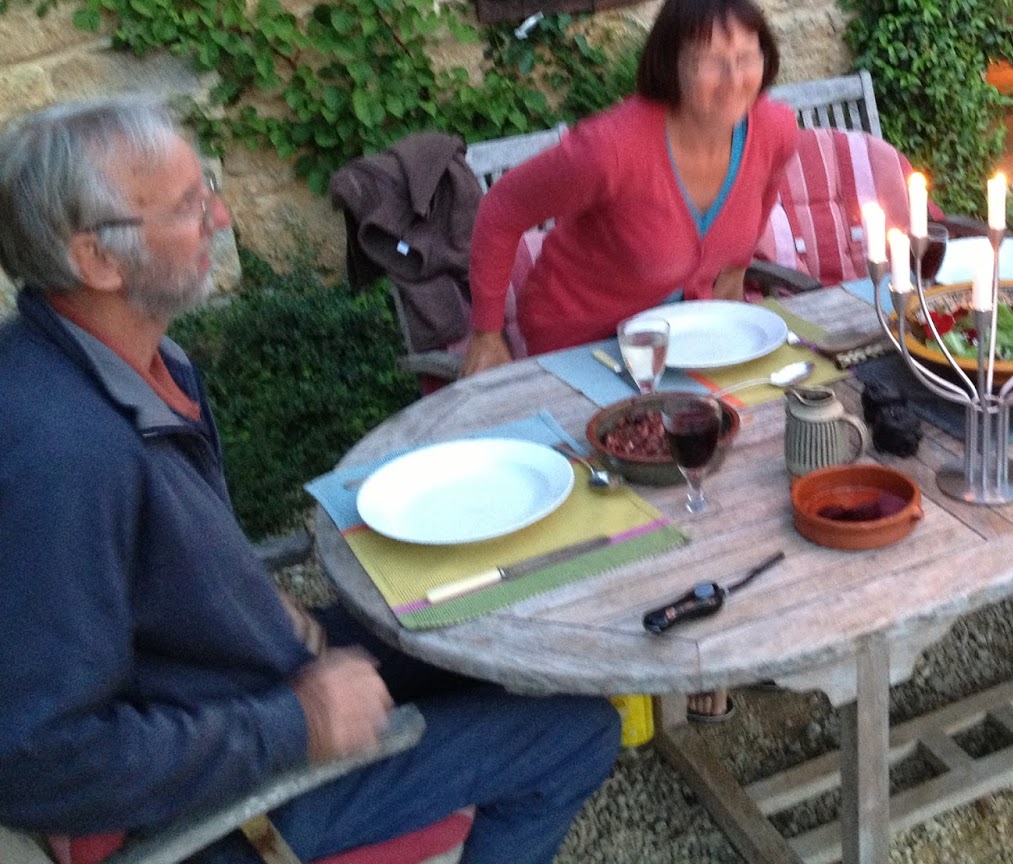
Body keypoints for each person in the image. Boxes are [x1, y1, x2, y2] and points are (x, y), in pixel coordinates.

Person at [0, 99, 619, 863]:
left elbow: (167, 580)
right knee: (577, 733)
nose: (222, 216)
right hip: (220, 809)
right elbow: (34, 760)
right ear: (97, 259)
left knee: (496, 622)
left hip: (242, 680)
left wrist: (270, 618)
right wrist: (300, 723)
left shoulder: (143, 365)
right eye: (189, 206)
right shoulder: (58, 452)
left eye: (207, 192)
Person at [462, 0, 800, 371]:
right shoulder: (610, 150)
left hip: (684, 337)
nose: (734, 79)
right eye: (710, 62)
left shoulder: (775, 131)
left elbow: (765, 190)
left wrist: (737, 266)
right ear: (671, 65)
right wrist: (487, 334)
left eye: (747, 58)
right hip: (581, 344)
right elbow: (502, 209)